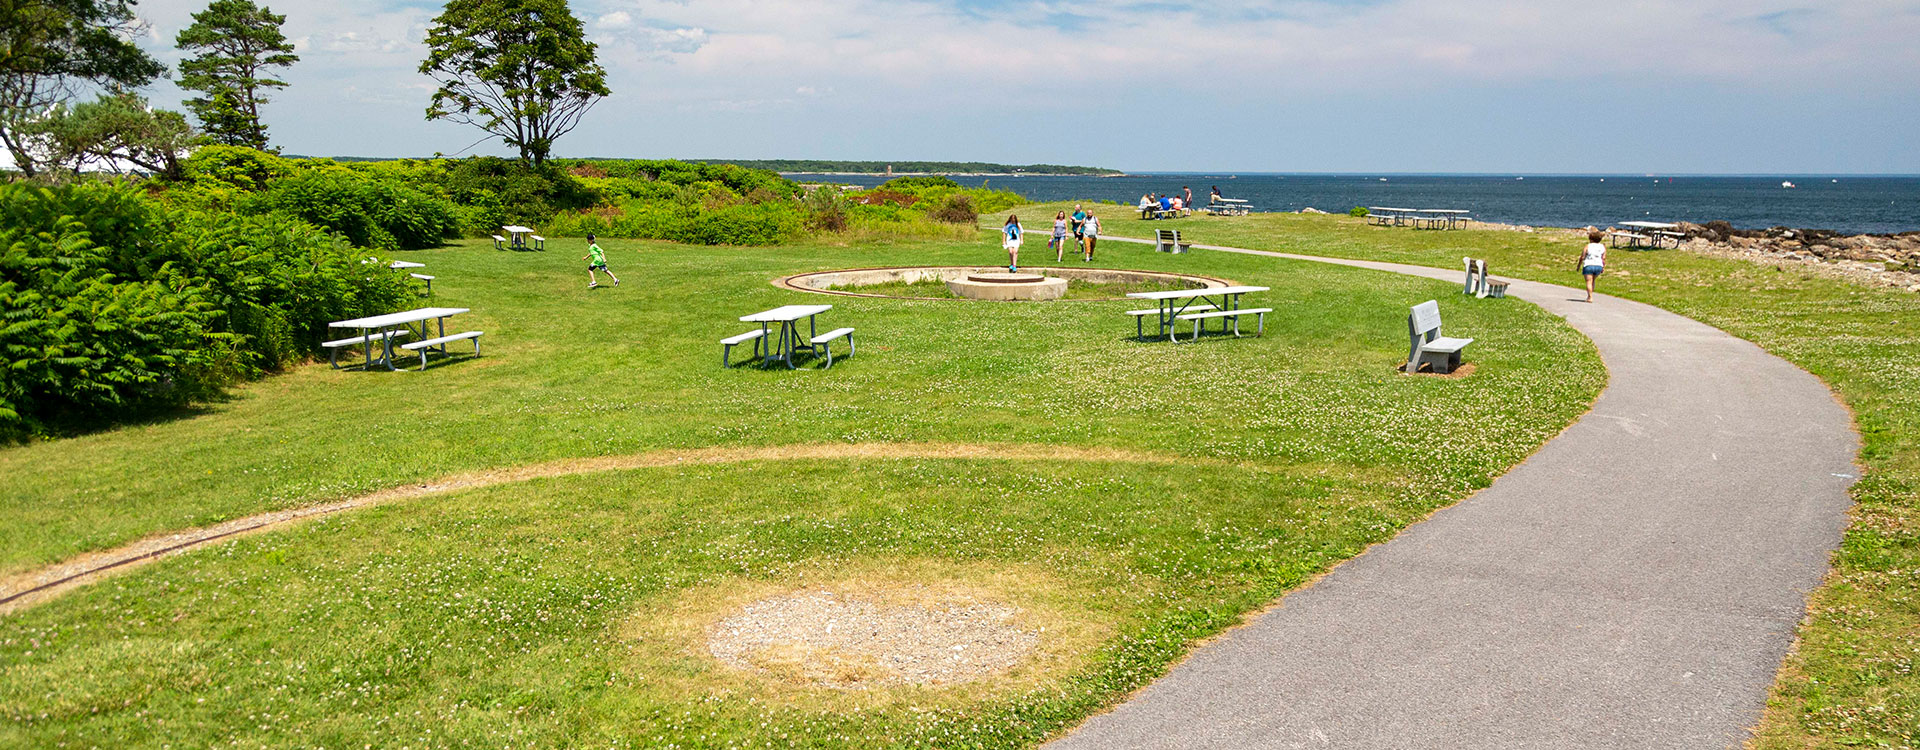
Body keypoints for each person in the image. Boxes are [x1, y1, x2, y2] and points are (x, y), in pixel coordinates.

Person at [1579, 229, 1607, 302]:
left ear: (1591, 239)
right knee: (1593, 281)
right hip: (1598, 265)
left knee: (1588, 281)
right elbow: (1603, 258)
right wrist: (1603, 267)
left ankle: (1590, 297)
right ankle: (1591, 295)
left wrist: (1579, 265)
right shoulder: (1602, 247)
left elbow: (1582, 257)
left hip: (1589, 265)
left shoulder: (1588, 246)